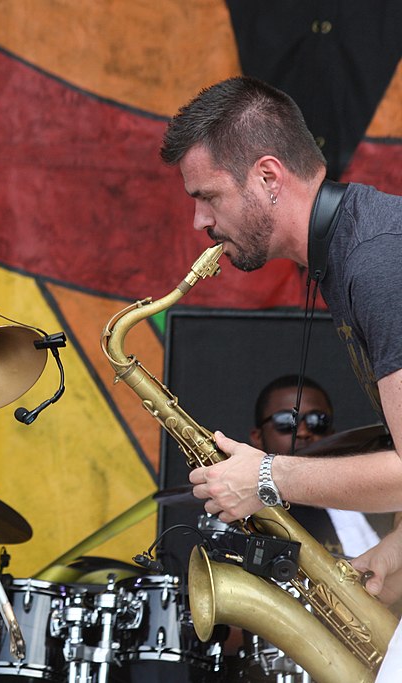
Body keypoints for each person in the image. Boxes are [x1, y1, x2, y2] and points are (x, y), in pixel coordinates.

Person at [158, 76, 402, 678]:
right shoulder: (357, 248)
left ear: (268, 178)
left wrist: (265, 476)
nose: (198, 221)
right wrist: (396, 554)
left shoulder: (375, 261)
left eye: (208, 196)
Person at [248, 374, 391, 558]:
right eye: (286, 421)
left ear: (332, 434)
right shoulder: (238, 513)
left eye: (318, 421)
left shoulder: (369, 506)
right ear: (257, 437)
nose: (303, 431)